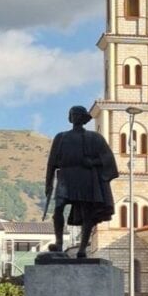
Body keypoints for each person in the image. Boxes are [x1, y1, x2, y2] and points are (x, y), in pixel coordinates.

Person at [45, 105, 119, 258]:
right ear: (70, 117)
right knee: (58, 209)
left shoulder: (94, 137)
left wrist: (92, 162)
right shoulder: (61, 137)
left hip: (85, 177)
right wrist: (48, 183)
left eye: (78, 114)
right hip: (65, 177)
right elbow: (51, 163)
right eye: (73, 114)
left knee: (87, 213)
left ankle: (83, 248)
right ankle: (58, 243)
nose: (75, 117)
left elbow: (108, 159)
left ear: (83, 118)